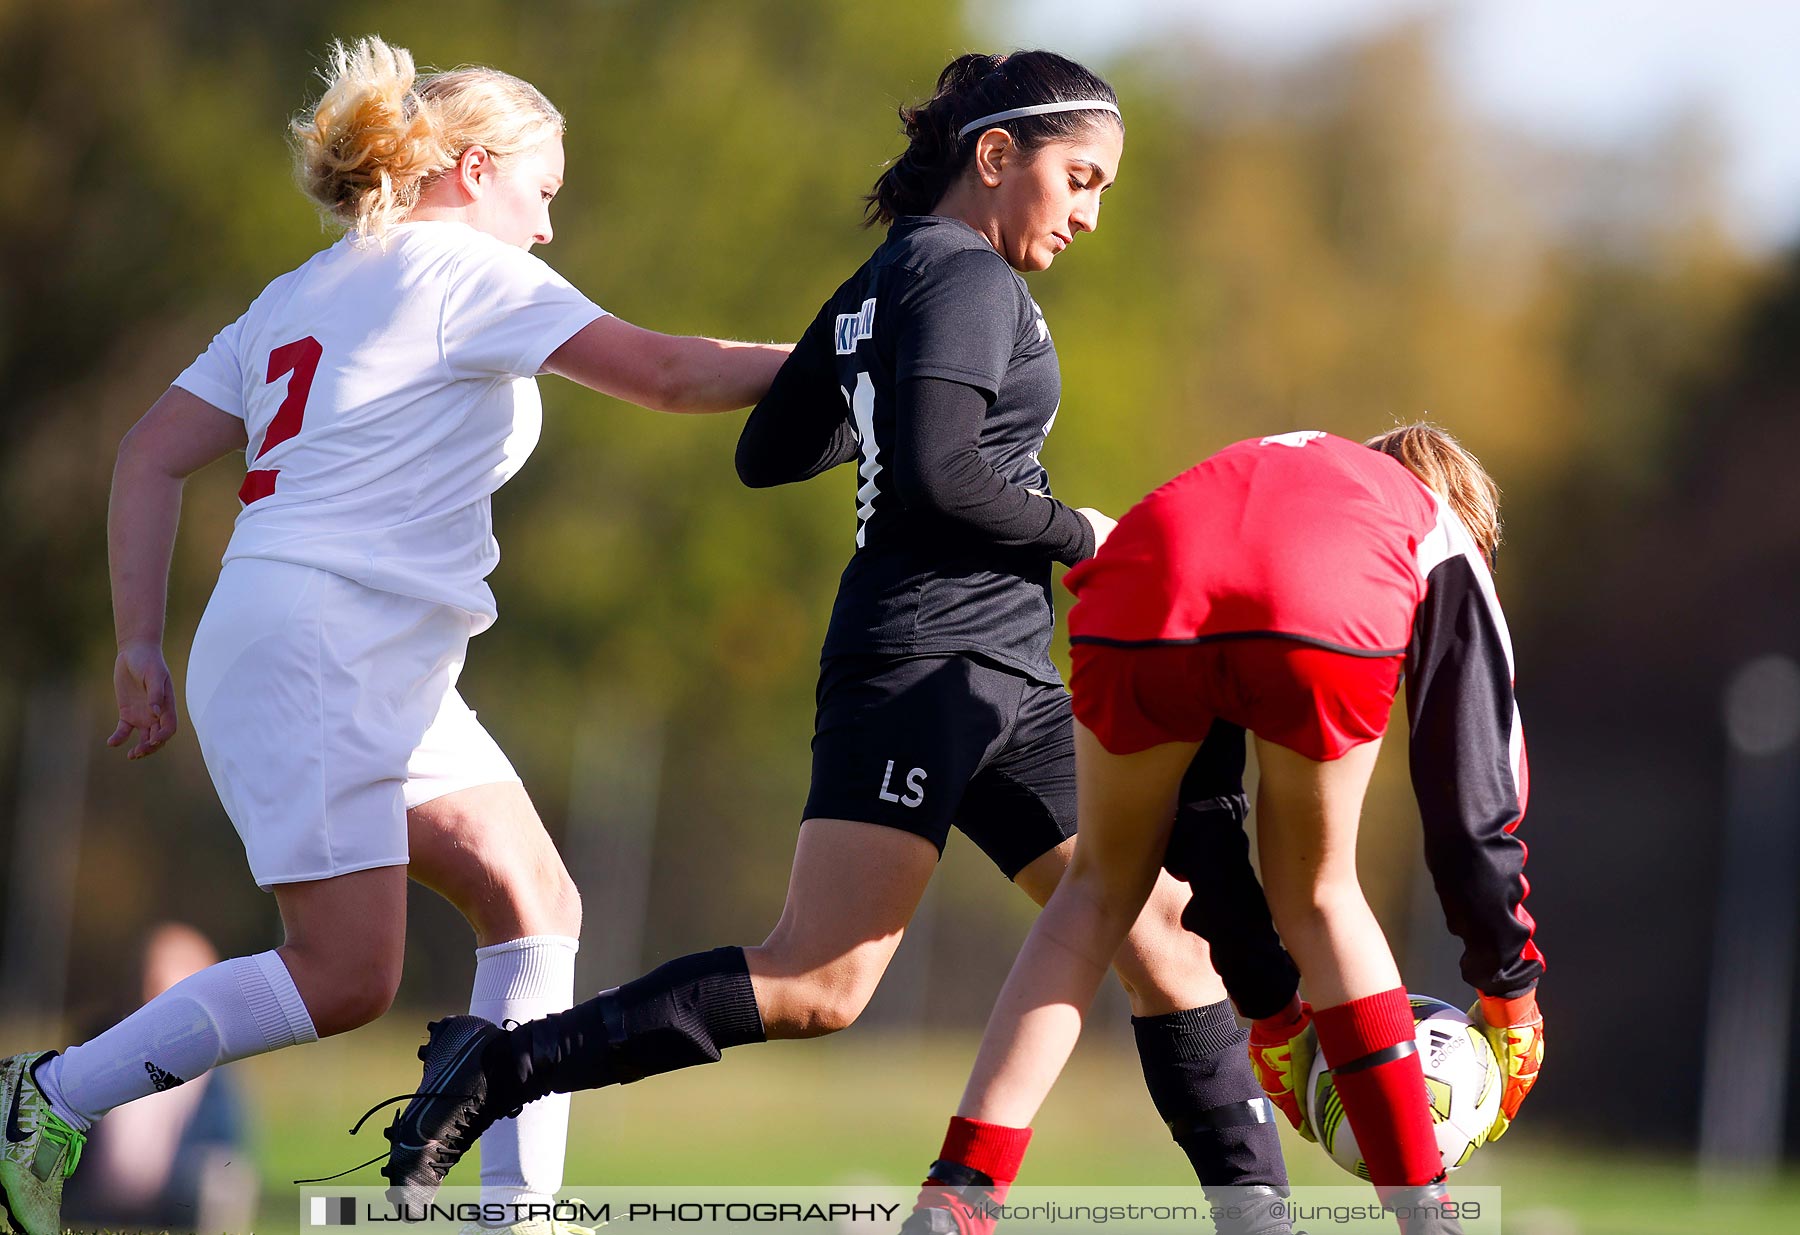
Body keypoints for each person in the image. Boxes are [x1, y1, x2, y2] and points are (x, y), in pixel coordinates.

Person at [373, 50, 1296, 1235]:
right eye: (1079, 177)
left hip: (996, 670)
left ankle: (1251, 1220)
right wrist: (1086, 532)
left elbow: (773, 447)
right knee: (820, 980)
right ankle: (497, 1067)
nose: (1089, 212)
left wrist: (868, 383)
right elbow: (937, 472)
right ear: (997, 155)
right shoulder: (962, 276)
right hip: (920, 665)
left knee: (1165, 937)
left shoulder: (891, 276)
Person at [0, 35, 789, 1235]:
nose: (548, 228)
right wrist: (850, 352)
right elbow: (673, 376)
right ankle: (49, 1096)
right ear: (474, 170)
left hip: (355, 649)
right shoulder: (462, 272)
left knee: (535, 897)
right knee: (345, 974)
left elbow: (148, 451)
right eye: (544, 192)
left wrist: (140, 641)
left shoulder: (301, 290)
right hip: (322, 642)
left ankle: (516, 1215)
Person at [903, 426, 1545, 1235]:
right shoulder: (1436, 533)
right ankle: (1431, 1220)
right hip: (1313, 604)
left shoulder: (1275, 473)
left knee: (1098, 887)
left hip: (1136, 575)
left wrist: (1274, 1013)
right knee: (1322, 895)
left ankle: (962, 1189)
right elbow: (1474, 807)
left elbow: (1204, 823)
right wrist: (1510, 994)